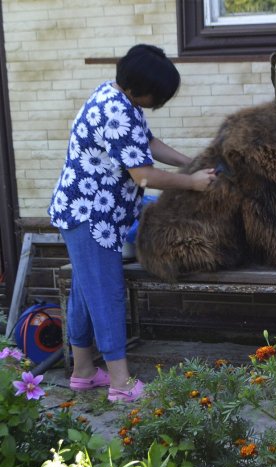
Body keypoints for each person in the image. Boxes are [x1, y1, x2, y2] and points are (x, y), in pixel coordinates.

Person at [47, 44, 216, 402]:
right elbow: (142, 174)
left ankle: (83, 372)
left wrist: (191, 164)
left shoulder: (116, 95)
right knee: (106, 294)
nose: (159, 101)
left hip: (87, 213)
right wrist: (191, 182)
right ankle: (121, 385)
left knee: (85, 291)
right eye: (159, 95)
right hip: (92, 217)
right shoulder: (115, 110)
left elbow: (147, 143)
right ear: (143, 89)